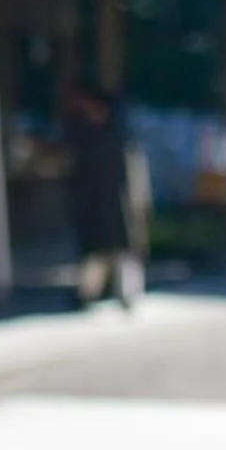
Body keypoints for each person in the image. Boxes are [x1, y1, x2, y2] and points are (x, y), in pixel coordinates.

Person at [67, 88, 146, 310]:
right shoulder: (88, 137)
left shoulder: (119, 139)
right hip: (97, 203)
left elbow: (133, 174)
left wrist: (137, 201)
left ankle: (127, 295)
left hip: (119, 202)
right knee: (96, 253)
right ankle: (87, 294)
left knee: (123, 253)